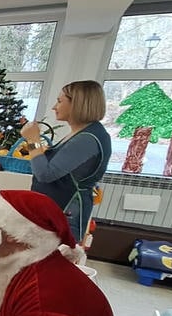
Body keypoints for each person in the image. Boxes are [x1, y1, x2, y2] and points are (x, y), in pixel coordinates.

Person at [19, 80, 111, 242]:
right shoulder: (82, 133)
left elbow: (44, 174)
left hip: (64, 214)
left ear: (77, 104)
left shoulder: (87, 139)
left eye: (60, 101)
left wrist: (33, 140)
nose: (54, 107)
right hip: (53, 210)